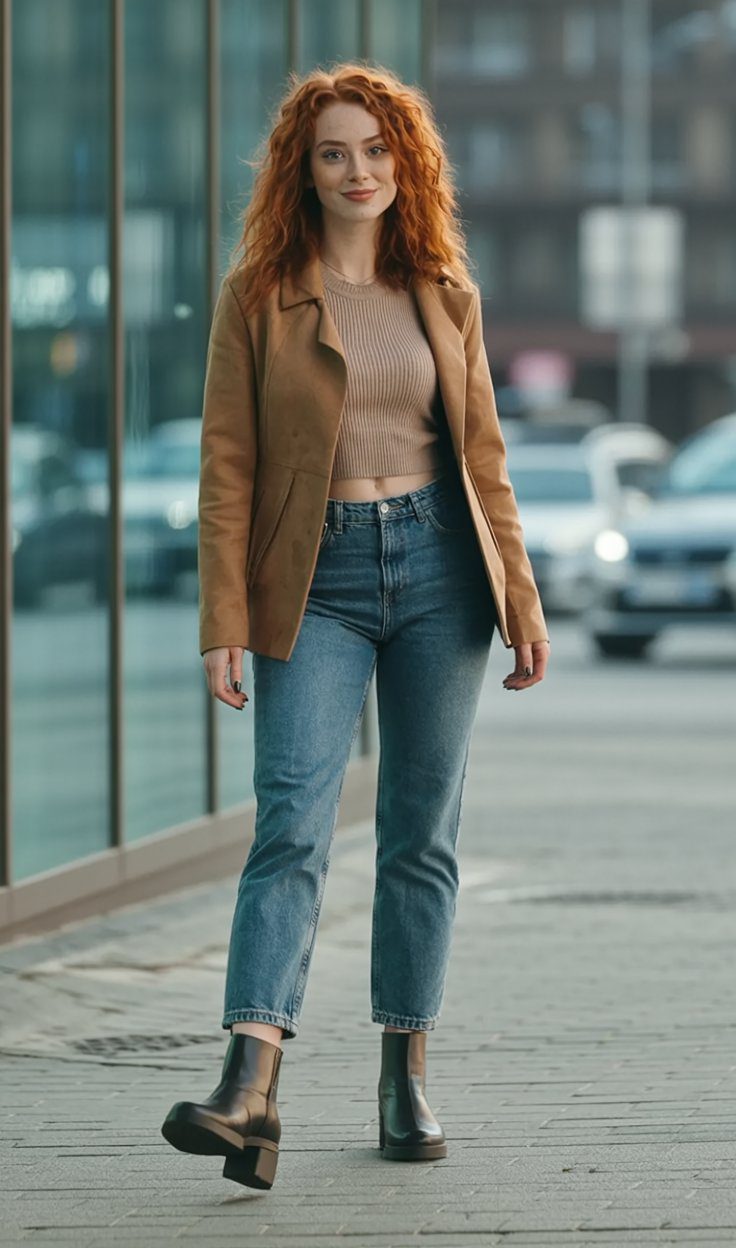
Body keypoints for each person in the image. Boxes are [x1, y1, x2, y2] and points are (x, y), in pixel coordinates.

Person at [161, 62, 550, 1191]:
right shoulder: (258, 296)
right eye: (334, 152)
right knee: (291, 822)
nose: (358, 171)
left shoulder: (443, 288)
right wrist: (221, 619)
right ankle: (251, 1083)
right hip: (313, 578)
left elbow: (483, 459)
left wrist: (521, 601)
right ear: (304, 167)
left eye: (376, 151)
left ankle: (403, 1068)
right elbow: (225, 467)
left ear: (405, 164)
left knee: (420, 833)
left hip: (439, 568)